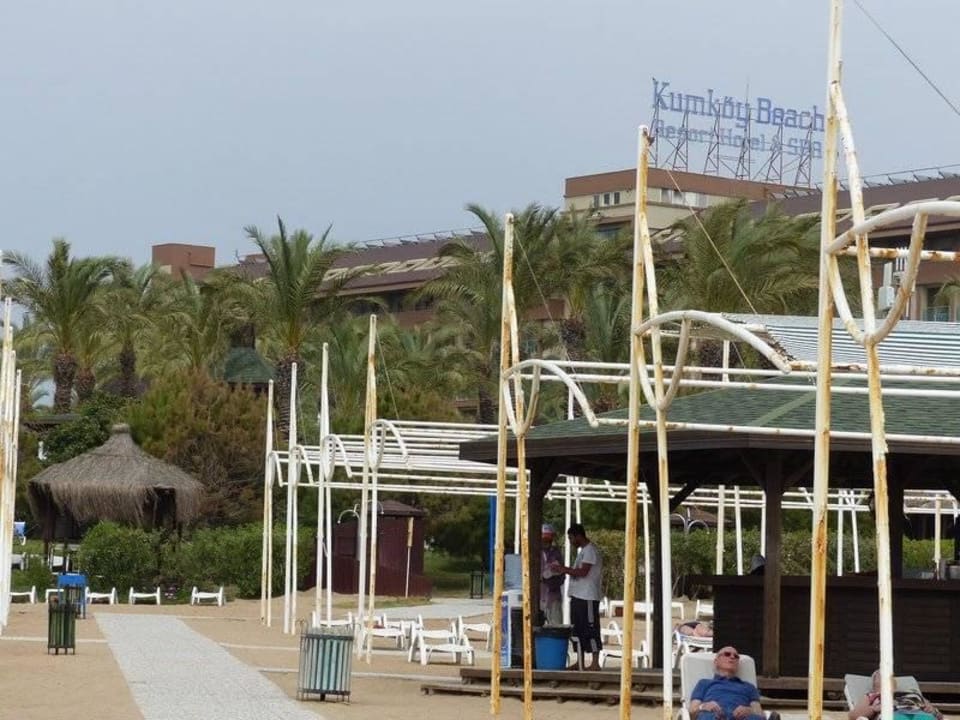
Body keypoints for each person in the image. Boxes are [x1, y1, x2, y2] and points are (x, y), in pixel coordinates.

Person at [550, 523, 602, 670]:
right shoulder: (583, 552)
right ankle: (580, 660)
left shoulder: (590, 551)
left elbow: (583, 572)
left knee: (591, 628)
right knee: (578, 629)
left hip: (588, 597)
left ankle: (595, 662)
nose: (571, 542)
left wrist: (563, 569)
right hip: (577, 596)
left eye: (571, 538)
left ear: (578, 536)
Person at [690, 646, 771, 720]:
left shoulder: (749, 687)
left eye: (736, 656)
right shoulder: (704, 683)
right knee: (706, 716)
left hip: (741, 718)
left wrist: (749, 710)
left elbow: (760, 713)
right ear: (716, 661)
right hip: (713, 716)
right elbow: (692, 711)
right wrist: (703, 706)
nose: (732, 657)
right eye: (727, 654)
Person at [848, 669, 943, 720]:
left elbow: (939, 716)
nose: (884, 677)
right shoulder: (872, 696)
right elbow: (853, 716)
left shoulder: (911, 693)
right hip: (892, 716)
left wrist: (933, 711)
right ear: (874, 684)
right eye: (879, 675)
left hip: (921, 716)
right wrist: (873, 709)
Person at [540, 524, 564, 626]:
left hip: (553, 597)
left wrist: (554, 574)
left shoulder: (556, 552)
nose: (546, 540)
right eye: (544, 538)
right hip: (538, 597)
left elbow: (562, 574)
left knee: (556, 627)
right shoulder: (534, 552)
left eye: (549, 538)